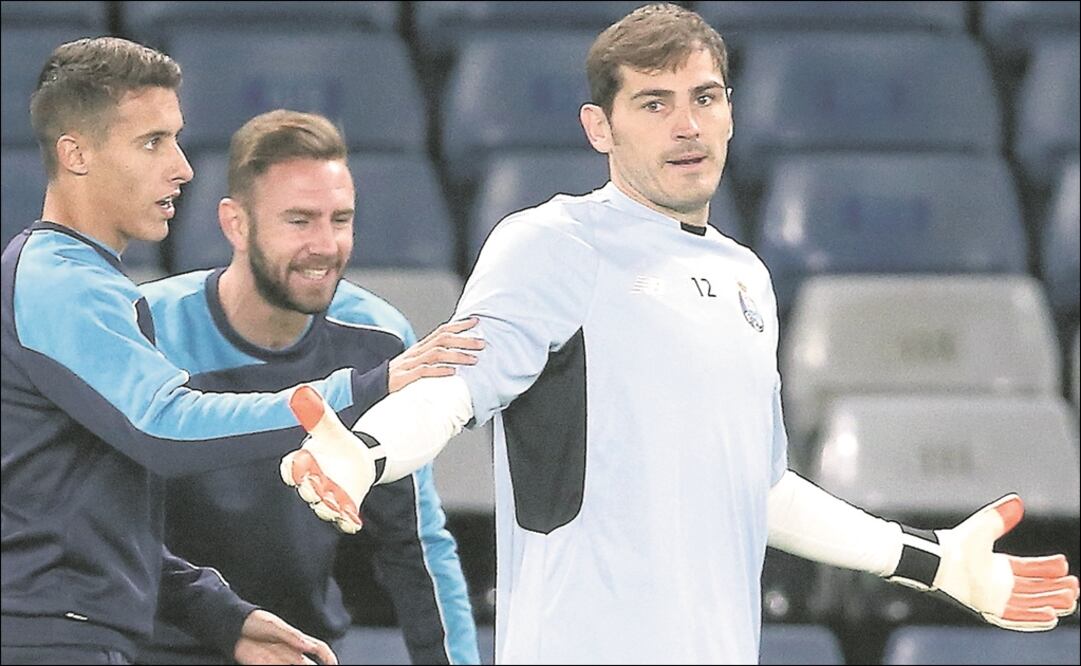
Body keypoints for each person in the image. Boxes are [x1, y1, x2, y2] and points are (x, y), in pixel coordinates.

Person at [279, 4, 1080, 664]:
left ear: (731, 111)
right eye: (654, 103)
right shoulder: (554, 241)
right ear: (601, 127)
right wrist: (367, 452)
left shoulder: (746, 279)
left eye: (704, 96)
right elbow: (453, 389)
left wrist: (931, 562)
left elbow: (757, 487)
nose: (686, 124)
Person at [0, 37, 461, 665]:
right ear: (76, 154)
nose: (182, 166)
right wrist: (361, 390)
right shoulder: (61, 283)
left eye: (176, 138)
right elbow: (165, 426)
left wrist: (221, 617)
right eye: (152, 142)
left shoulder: (78, 281)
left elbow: (91, 515)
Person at [135, 109, 481, 665]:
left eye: (339, 220)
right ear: (236, 223)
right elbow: (103, 527)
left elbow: (414, 542)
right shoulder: (146, 331)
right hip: (152, 647)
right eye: (299, 221)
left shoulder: (379, 341)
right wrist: (223, 623)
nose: (326, 245)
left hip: (304, 651)